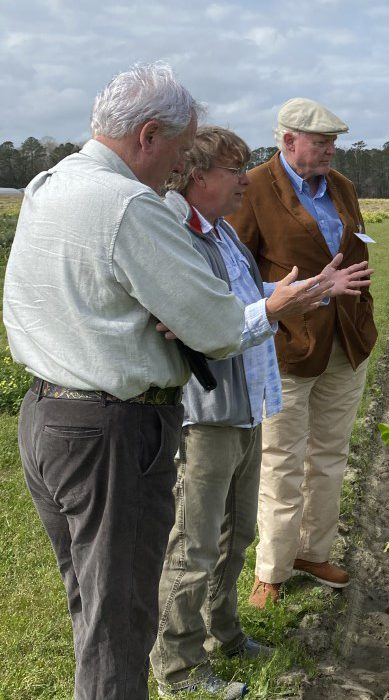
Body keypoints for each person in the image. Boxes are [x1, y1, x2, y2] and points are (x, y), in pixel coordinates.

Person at [2, 63, 246, 700]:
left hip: (46, 418)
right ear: (146, 135)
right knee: (120, 620)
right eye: (179, 148)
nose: (180, 167)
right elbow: (219, 325)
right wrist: (176, 311)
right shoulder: (128, 205)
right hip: (112, 432)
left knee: (90, 601)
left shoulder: (46, 184)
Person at [150, 126, 372, 698]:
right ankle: (178, 666)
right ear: (198, 177)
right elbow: (201, 322)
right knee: (193, 542)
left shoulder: (218, 230)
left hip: (246, 403)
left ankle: (224, 631)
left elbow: (245, 306)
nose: (243, 184)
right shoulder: (174, 233)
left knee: (236, 532)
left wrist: (310, 291)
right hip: (207, 411)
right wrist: (275, 305)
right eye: (233, 172)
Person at [228, 98, 377, 607]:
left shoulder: (343, 188)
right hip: (287, 346)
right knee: (282, 459)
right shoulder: (252, 189)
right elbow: (233, 274)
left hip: (345, 340)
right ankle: (271, 569)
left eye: (334, 142)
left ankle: (314, 552)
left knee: (331, 454)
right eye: (322, 142)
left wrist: (353, 297)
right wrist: (317, 287)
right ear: (288, 141)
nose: (332, 150)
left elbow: (355, 251)